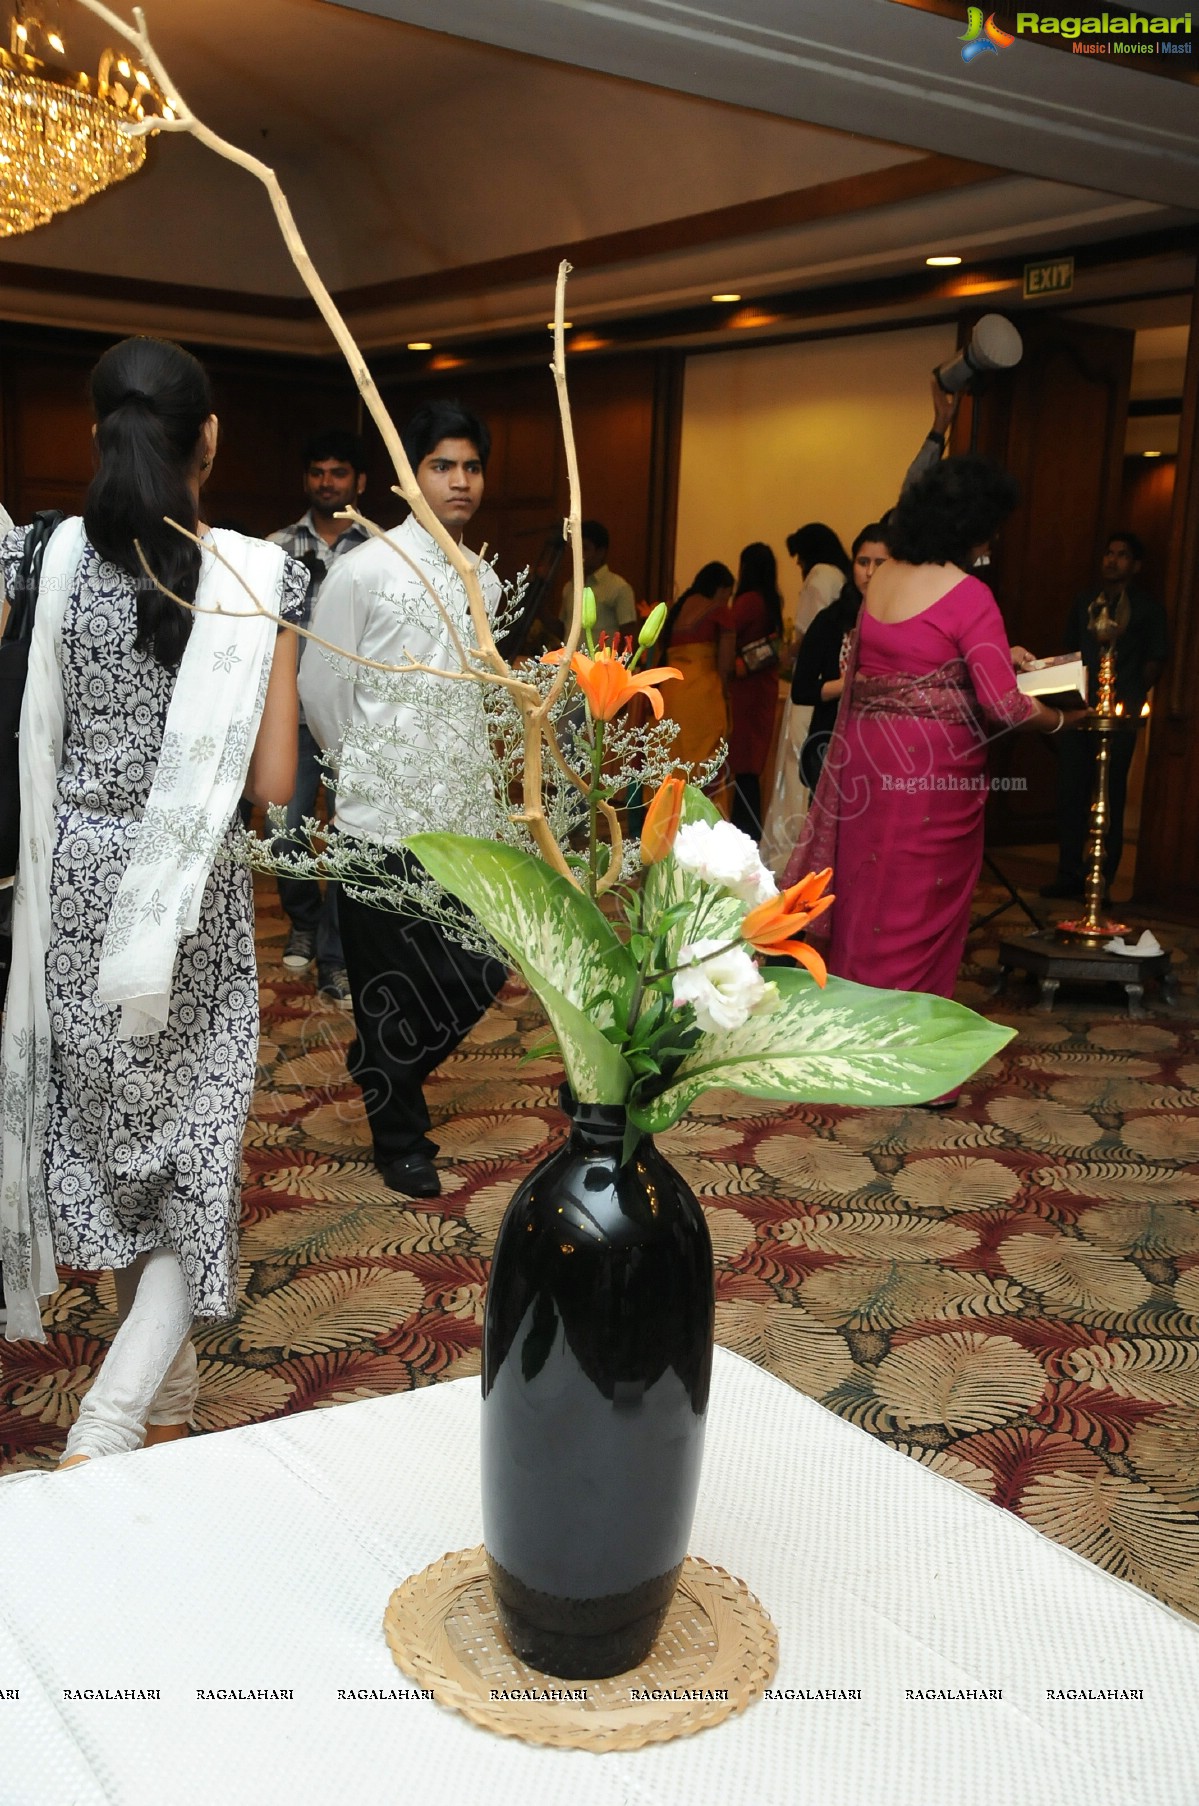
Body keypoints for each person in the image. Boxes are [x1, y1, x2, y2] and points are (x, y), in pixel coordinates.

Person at [0, 335, 304, 1464]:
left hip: (74, 888)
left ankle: (169, 1416)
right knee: (193, 1161)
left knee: (130, 1155)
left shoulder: (50, 560)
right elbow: (272, 787)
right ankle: (112, 1422)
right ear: (208, 442)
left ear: (96, 435)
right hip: (188, 900)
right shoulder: (256, 575)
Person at [300, 400, 508, 1202]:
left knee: (480, 964)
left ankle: (383, 1063)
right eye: (441, 466)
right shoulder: (366, 569)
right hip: (379, 816)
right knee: (390, 984)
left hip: (468, 816)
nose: (459, 481)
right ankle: (401, 1137)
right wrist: (365, 772)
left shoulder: (484, 578)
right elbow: (323, 687)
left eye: (471, 467)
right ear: (410, 475)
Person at [784, 455, 1087, 1000]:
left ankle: (856, 1027)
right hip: (932, 771)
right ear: (976, 526)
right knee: (917, 903)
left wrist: (993, 659)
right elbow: (1005, 706)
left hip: (872, 763)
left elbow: (904, 665)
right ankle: (906, 1050)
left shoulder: (882, 580)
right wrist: (1066, 720)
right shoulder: (969, 594)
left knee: (868, 891)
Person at [268, 430, 371, 1006]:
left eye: (338, 472)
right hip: (296, 719)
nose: (326, 481)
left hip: (363, 722)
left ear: (359, 482)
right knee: (285, 835)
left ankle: (334, 956)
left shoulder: (383, 549)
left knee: (351, 840)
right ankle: (303, 917)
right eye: (317, 471)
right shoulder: (275, 547)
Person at [1041, 530, 1169, 902]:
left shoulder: (1147, 609)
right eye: (1109, 553)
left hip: (1119, 717)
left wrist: (1128, 696)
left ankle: (1102, 879)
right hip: (1080, 711)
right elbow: (1070, 649)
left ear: (1136, 565)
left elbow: (1155, 660)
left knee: (1109, 793)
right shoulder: (1085, 602)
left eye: (1122, 555)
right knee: (1070, 791)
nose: (1113, 560)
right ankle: (1068, 873)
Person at [760, 524, 852, 873]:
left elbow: (805, 634)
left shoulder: (817, 576)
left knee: (797, 766)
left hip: (814, 685)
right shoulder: (842, 576)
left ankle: (791, 855)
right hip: (836, 690)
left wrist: (785, 652)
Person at [792, 524, 890, 792]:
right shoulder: (831, 620)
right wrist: (847, 684)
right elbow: (801, 689)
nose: (869, 572)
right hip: (832, 746)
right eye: (863, 562)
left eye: (880, 563)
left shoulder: (905, 619)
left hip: (889, 748)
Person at [656, 562, 736, 809]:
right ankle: (700, 823)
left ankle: (665, 825)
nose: (728, 600)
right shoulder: (720, 613)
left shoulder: (677, 610)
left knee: (671, 762)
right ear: (720, 588)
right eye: (728, 594)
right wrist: (726, 697)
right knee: (703, 763)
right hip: (702, 696)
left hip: (670, 692)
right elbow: (725, 666)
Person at [727, 541, 783, 839]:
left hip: (745, 690)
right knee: (751, 766)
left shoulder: (749, 601)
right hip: (763, 688)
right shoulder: (772, 600)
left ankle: (743, 829)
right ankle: (749, 829)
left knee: (742, 763)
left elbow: (727, 628)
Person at [560, 520, 636, 641]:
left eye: (584, 548)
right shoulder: (570, 586)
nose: (579, 554)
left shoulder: (619, 588)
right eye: (576, 548)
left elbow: (629, 639)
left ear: (601, 552)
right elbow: (564, 630)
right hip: (571, 660)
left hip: (602, 660)